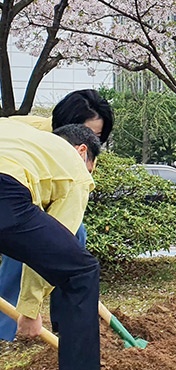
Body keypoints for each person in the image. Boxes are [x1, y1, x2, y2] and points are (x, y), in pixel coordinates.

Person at [0, 89, 113, 341]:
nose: (90, 141)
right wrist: (30, 308)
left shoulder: (76, 151)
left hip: (22, 196)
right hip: (15, 192)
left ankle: (66, 319)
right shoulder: (37, 134)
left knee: (73, 238)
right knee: (32, 249)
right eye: (87, 132)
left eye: (97, 136)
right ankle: (8, 327)